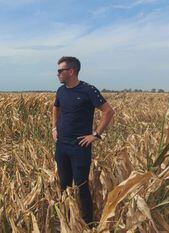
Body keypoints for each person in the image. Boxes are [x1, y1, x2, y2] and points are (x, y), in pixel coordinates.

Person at [52, 56, 115, 225]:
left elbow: (108, 111)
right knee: (64, 184)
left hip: (79, 147)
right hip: (62, 145)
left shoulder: (88, 90)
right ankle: (65, 219)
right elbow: (56, 107)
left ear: (71, 71)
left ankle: (88, 224)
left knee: (81, 186)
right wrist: (54, 127)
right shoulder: (61, 91)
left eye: (60, 71)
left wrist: (95, 134)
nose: (57, 74)